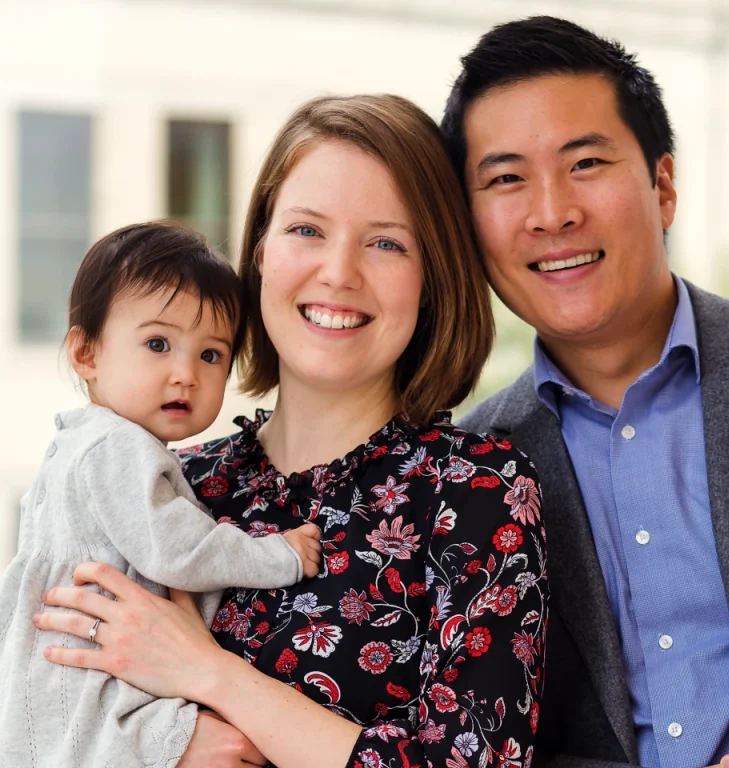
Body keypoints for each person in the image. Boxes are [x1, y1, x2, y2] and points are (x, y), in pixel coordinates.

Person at [34, 94, 548, 768]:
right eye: (306, 230)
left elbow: (478, 761)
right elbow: (48, 713)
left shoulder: (479, 490)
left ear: (432, 281)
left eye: (387, 242)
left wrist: (210, 673)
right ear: (259, 254)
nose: (338, 272)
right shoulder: (166, 482)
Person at [442, 15, 729, 768]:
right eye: (505, 179)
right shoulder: (469, 471)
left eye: (586, 163)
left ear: (663, 186)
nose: (552, 212)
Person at [0, 221, 322, 767]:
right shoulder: (117, 448)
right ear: (86, 353)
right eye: (157, 344)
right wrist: (279, 555)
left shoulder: (81, 442)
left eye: (211, 355)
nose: (185, 374)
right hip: (90, 693)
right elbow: (178, 550)